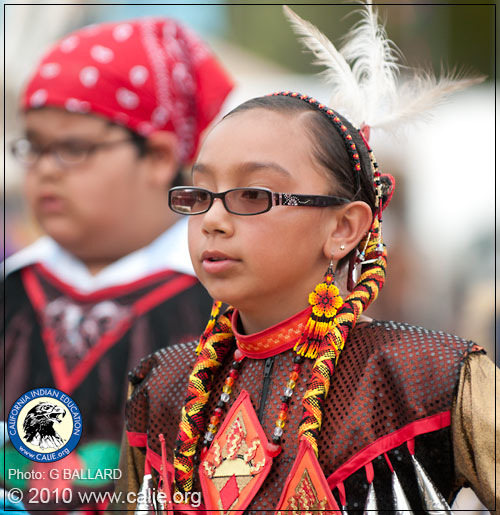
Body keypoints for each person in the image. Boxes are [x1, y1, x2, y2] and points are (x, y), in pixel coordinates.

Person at [115, 6, 497, 514]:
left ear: (343, 228)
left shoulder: (426, 376)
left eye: (253, 195)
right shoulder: (162, 388)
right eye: (200, 193)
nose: (213, 219)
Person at [1, 16, 233, 511]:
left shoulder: (219, 305)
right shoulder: (12, 289)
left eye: (71, 148)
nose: (43, 168)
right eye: (33, 147)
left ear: (156, 156)